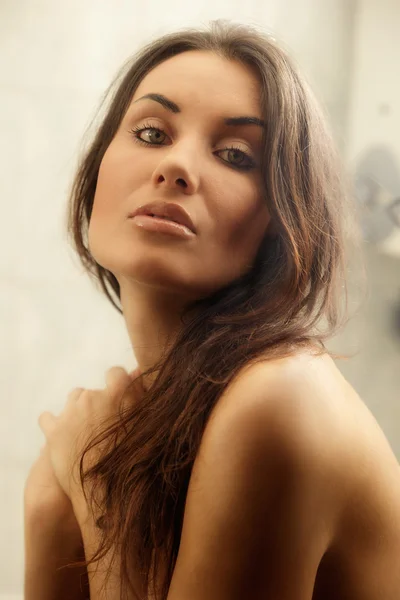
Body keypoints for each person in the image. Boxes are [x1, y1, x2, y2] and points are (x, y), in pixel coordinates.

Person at [24, 20, 400, 600]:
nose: (176, 167)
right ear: (98, 169)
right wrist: (51, 518)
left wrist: (100, 507)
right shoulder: (167, 419)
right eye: (151, 133)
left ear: (284, 221)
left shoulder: (281, 399)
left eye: (234, 155)